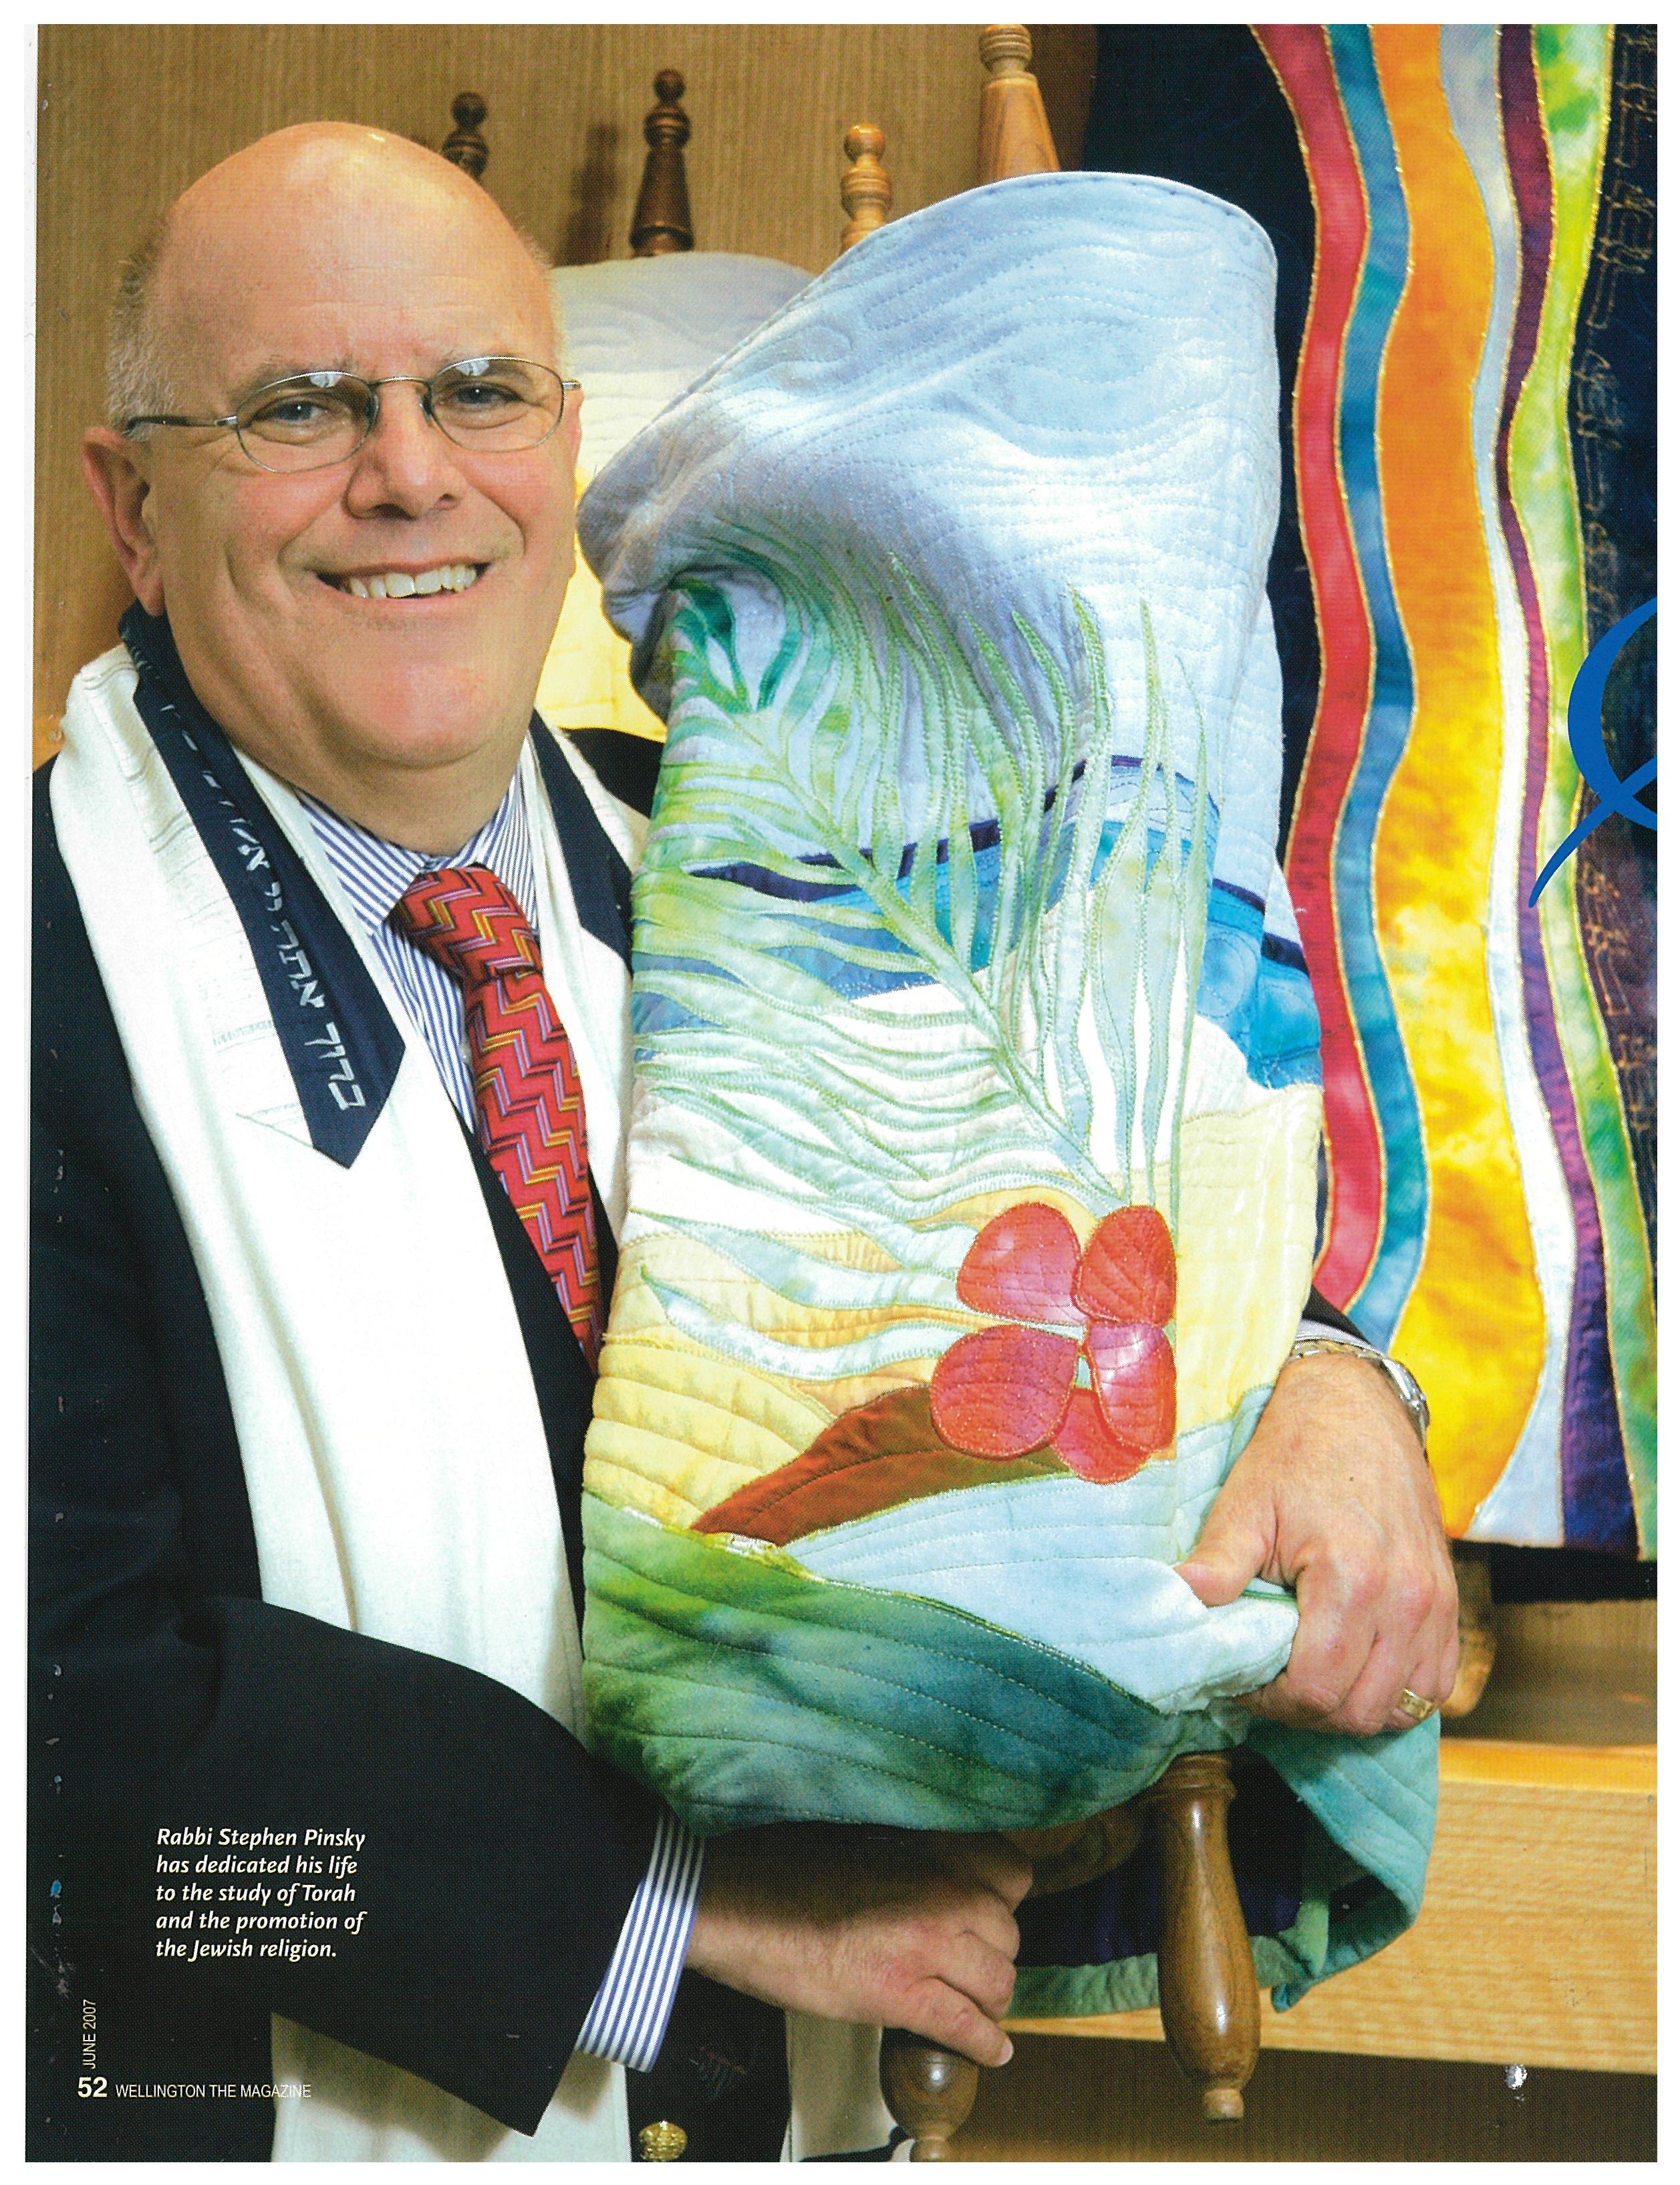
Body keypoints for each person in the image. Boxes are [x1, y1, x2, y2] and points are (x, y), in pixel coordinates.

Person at [31, 122, 1457, 2163]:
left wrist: (1329, 1378)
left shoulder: (779, 865)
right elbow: (53, 1747)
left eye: (477, 391)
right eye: (298, 408)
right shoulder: (44, 970)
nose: (410, 473)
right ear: (132, 506)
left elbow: (1095, 1181)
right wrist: (660, 1913)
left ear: (568, 444)